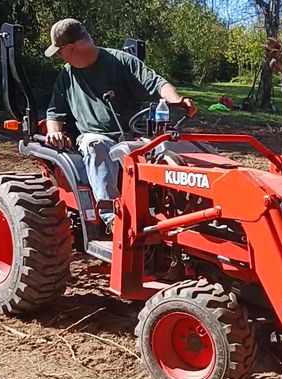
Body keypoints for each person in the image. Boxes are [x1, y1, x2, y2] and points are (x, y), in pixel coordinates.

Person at [44, 18, 197, 227]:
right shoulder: (67, 75)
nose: (60, 56)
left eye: (60, 51)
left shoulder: (120, 61)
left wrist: (176, 100)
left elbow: (156, 82)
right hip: (95, 136)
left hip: (131, 134)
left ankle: (184, 213)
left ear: (71, 48)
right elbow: (54, 112)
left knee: (169, 146)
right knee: (96, 146)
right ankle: (112, 220)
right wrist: (54, 132)